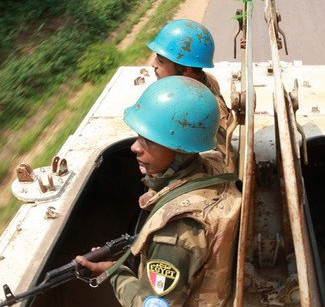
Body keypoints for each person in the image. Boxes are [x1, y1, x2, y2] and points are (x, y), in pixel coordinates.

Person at [76, 76, 242, 306]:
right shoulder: (213, 165)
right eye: (139, 137)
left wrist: (114, 273)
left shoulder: (174, 235)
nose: (134, 147)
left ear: (181, 149)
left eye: (150, 140)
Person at [148, 19, 232, 157]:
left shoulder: (207, 110)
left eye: (161, 61)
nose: (153, 64)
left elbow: (220, 159)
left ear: (186, 69)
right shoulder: (198, 82)